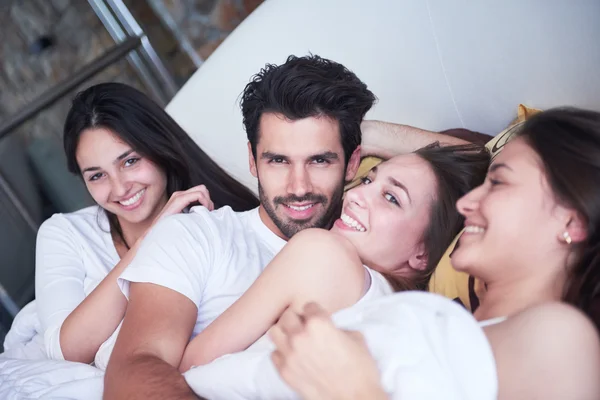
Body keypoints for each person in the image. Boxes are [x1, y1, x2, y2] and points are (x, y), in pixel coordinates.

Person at [104, 54, 469, 399]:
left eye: (321, 159)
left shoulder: (337, 260)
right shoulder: (197, 235)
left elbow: (490, 157)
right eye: (278, 160)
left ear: (352, 160)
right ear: (252, 159)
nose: (298, 186)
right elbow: (137, 366)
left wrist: (366, 132)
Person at [270, 107, 600, 400]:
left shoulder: (560, 338)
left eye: (498, 184)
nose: (466, 204)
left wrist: (355, 391)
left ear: (571, 221)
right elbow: (472, 159)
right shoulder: (446, 323)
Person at [178, 142, 490, 370]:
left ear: (424, 253)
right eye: (368, 180)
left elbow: (189, 367)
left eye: (391, 198)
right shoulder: (409, 327)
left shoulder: (324, 253)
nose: (354, 194)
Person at [34, 82, 259, 365]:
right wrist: (153, 237)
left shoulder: (216, 221)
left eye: (129, 161)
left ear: (159, 148)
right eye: (96, 176)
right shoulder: (64, 233)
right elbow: (66, 351)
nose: (119, 188)